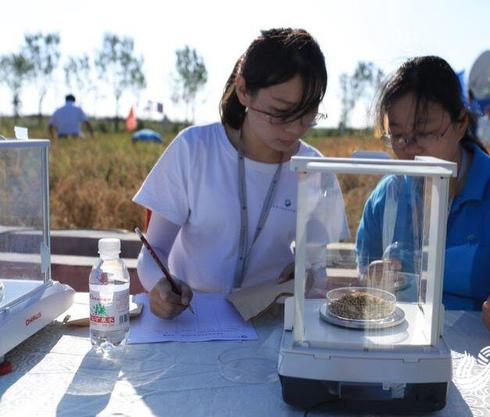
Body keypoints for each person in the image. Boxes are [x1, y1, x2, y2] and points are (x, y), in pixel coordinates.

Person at [355, 56, 490, 342]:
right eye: (397, 135)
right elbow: (365, 269)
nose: (409, 149)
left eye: (423, 132)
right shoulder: (388, 196)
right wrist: (374, 279)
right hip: (405, 343)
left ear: (461, 122)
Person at [134, 28, 348, 319]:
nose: (295, 128)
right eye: (281, 113)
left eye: (308, 115)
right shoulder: (194, 149)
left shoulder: (314, 169)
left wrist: (308, 272)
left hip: (271, 321)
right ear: (244, 90)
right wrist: (159, 285)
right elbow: (154, 247)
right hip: (193, 317)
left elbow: (322, 262)